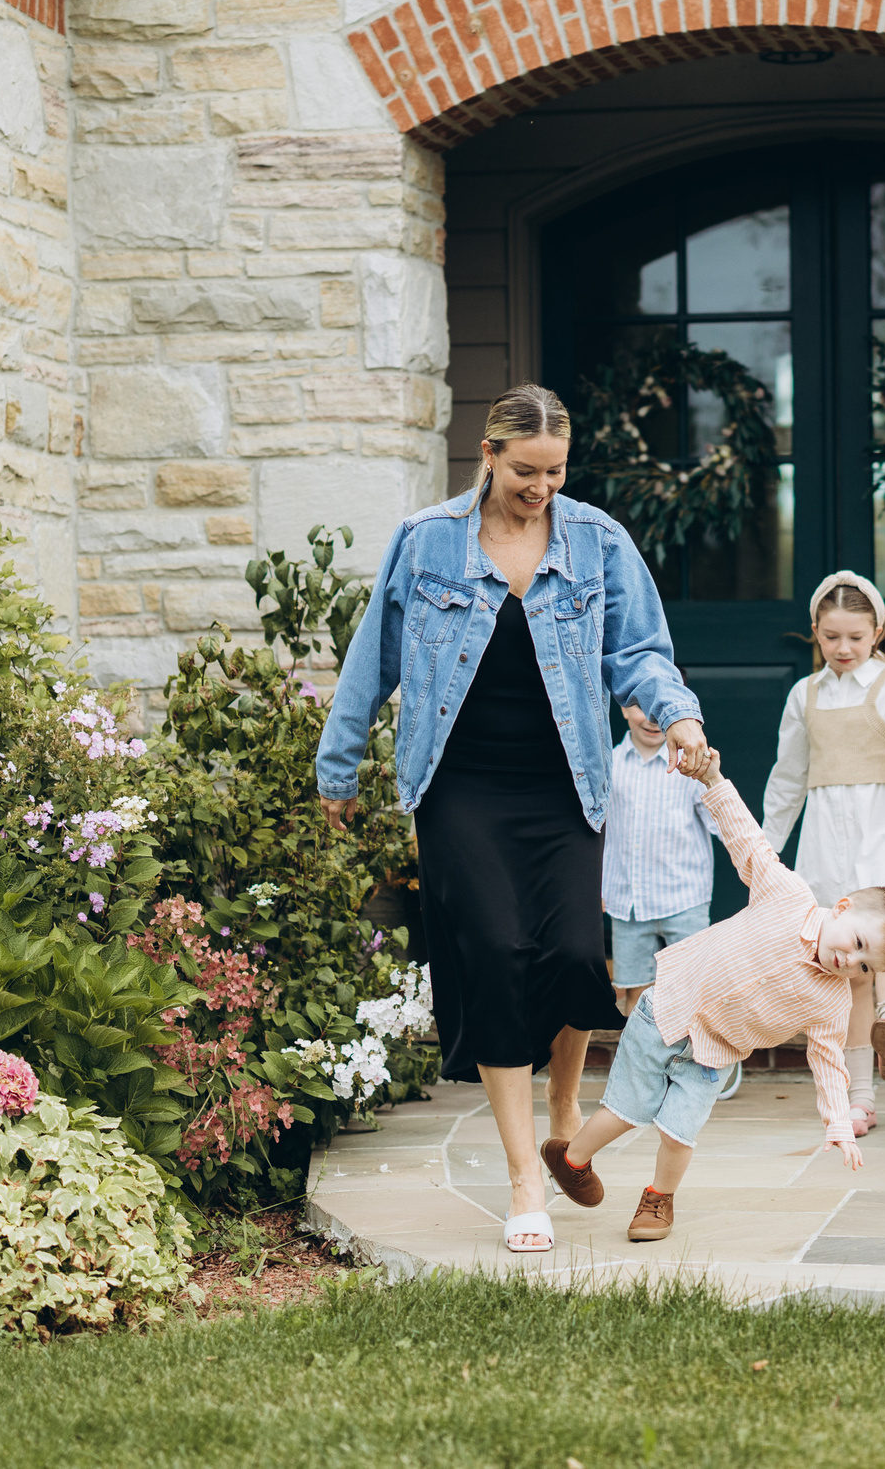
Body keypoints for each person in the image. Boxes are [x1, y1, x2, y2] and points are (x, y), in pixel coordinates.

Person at [316, 384, 709, 1256]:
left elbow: (640, 652)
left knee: (571, 953)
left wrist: (678, 718)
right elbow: (371, 659)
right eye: (525, 471)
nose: (542, 487)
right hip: (461, 785)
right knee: (495, 952)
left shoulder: (598, 541)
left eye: (556, 471)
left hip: (565, 781)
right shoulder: (426, 543)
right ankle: (525, 1174)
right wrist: (337, 764)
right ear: (487, 457)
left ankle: (565, 1110)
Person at [541, 742, 885, 1242]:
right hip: (667, 1010)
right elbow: (749, 844)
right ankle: (571, 1159)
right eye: (858, 944)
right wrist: (714, 784)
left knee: (679, 1132)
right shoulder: (788, 896)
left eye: (864, 966)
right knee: (626, 1110)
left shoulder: (832, 1001)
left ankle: (658, 1200)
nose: (850, 961)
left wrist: (840, 1123)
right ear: (842, 907)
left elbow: (828, 1061)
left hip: (713, 1056)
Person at [761, 571, 885, 1135]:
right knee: (847, 972)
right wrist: (764, 852)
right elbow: (787, 779)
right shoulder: (803, 696)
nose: (844, 648)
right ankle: (861, 1096)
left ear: (877, 631)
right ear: (815, 633)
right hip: (827, 845)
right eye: (831, 638)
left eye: (856, 636)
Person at [601, 697, 737, 1098]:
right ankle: (642, 1071)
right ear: (623, 709)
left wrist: (713, 780)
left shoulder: (689, 765)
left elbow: (720, 820)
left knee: (698, 986)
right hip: (628, 900)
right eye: (640, 706)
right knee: (633, 991)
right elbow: (598, 829)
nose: (651, 719)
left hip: (684, 896)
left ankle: (710, 1062)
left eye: (662, 710)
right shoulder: (609, 763)